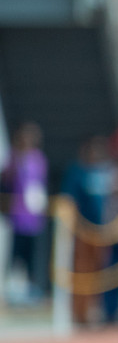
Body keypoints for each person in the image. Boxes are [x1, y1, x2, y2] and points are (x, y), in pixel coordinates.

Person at [61, 136, 118, 327]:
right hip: (83, 233)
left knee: (103, 273)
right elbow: (69, 200)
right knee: (82, 271)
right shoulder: (77, 172)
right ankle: (80, 313)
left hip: (103, 232)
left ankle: (100, 311)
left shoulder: (106, 172)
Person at [0, 122, 49, 304]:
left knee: (32, 256)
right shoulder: (13, 159)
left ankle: (32, 289)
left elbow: (39, 186)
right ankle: (12, 289)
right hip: (16, 216)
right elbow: (6, 181)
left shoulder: (39, 159)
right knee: (15, 255)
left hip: (34, 217)